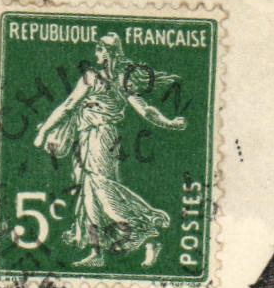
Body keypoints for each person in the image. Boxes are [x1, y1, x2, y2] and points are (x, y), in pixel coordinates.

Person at [33, 33, 187, 267]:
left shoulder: (94, 78)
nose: (95, 54)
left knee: (101, 189)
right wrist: (169, 123)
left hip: (100, 137)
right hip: (91, 137)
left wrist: (44, 131)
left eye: (98, 50)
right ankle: (97, 252)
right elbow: (145, 110)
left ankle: (147, 228)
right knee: (89, 194)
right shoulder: (120, 80)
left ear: (106, 52)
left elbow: (69, 105)